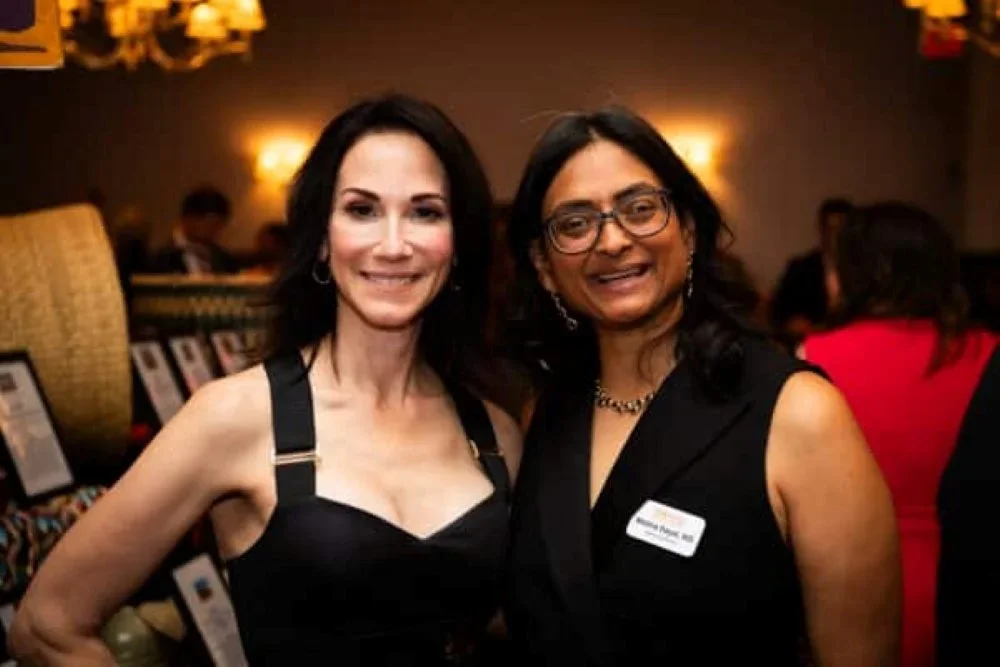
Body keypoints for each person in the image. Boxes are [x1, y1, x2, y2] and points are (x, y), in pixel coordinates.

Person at [8, 94, 523, 666]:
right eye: (362, 210)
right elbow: (46, 627)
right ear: (322, 238)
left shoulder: (494, 432)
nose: (393, 244)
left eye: (425, 212)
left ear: (458, 244)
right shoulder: (235, 416)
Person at [502, 107, 900, 666]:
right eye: (574, 224)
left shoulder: (797, 414)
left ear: (687, 230)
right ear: (544, 266)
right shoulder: (545, 411)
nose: (611, 240)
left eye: (640, 209)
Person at [800, 203, 999, 667]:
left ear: (857, 272)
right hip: (971, 576)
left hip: (848, 581)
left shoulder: (815, 354)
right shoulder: (989, 353)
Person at [769, 197, 853, 347]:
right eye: (830, 229)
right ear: (821, 231)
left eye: (841, 229)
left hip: (850, 343)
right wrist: (795, 325)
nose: (835, 236)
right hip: (807, 344)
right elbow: (778, 312)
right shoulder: (800, 268)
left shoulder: (863, 271)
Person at [149, 185, 239, 275]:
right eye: (211, 224)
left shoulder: (223, 259)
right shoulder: (160, 260)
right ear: (188, 219)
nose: (216, 231)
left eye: (219, 225)